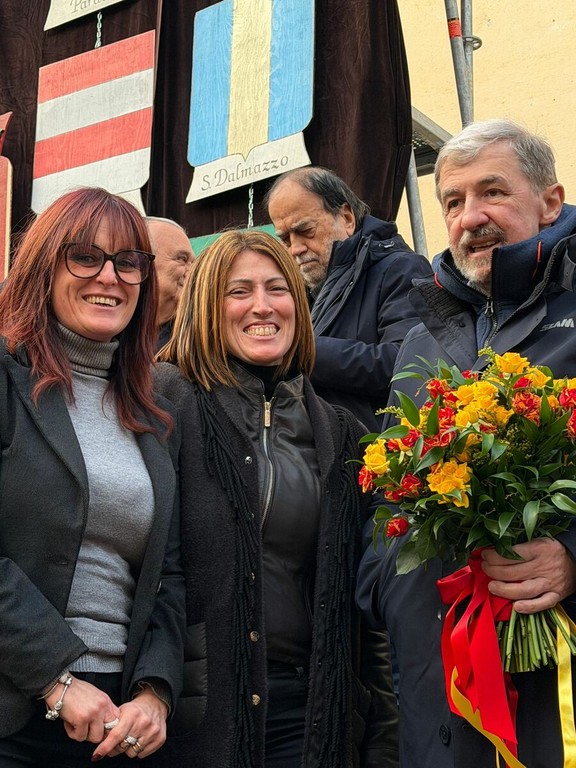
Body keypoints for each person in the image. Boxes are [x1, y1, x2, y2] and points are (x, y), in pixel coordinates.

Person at [356, 118, 576, 768]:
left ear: (551, 202)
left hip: (554, 676)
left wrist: (573, 556)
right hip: (437, 679)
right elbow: (391, 489)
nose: (470, 217)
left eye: (492, 192)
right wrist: (388, 589)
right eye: (452, 201)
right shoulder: (422, 336)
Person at [152, 230, 399, 768]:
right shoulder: (162, 401)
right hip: (189, 713)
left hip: (311, 713)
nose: (262, 306)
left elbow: (363, 606)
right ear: (205, 305)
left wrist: (382, 738)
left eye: (277, 289)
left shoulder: (341, 434)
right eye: (238, 291)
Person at [0, 187, 185, 766]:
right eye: (84, 257)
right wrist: (55, 679)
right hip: (16, 710)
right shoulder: (5, 382)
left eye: (128, 262)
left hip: (119, 724)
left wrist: (155, 692)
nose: (109, 277)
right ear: (43, 268)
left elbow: (169, 573)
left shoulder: (153, 413)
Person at [264, 167, 431, 432]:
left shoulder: (401, 269)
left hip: (379, 451)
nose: (295, 248)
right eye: (285, 239)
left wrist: (303, 349)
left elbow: (408, 364)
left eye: (306, 230)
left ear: (346, 217)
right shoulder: (305, 288)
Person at [145, 216, 194, 351]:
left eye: (193, 263)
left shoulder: (200, 345)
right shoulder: (107, 333)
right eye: (182, 259)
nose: (193, 272)